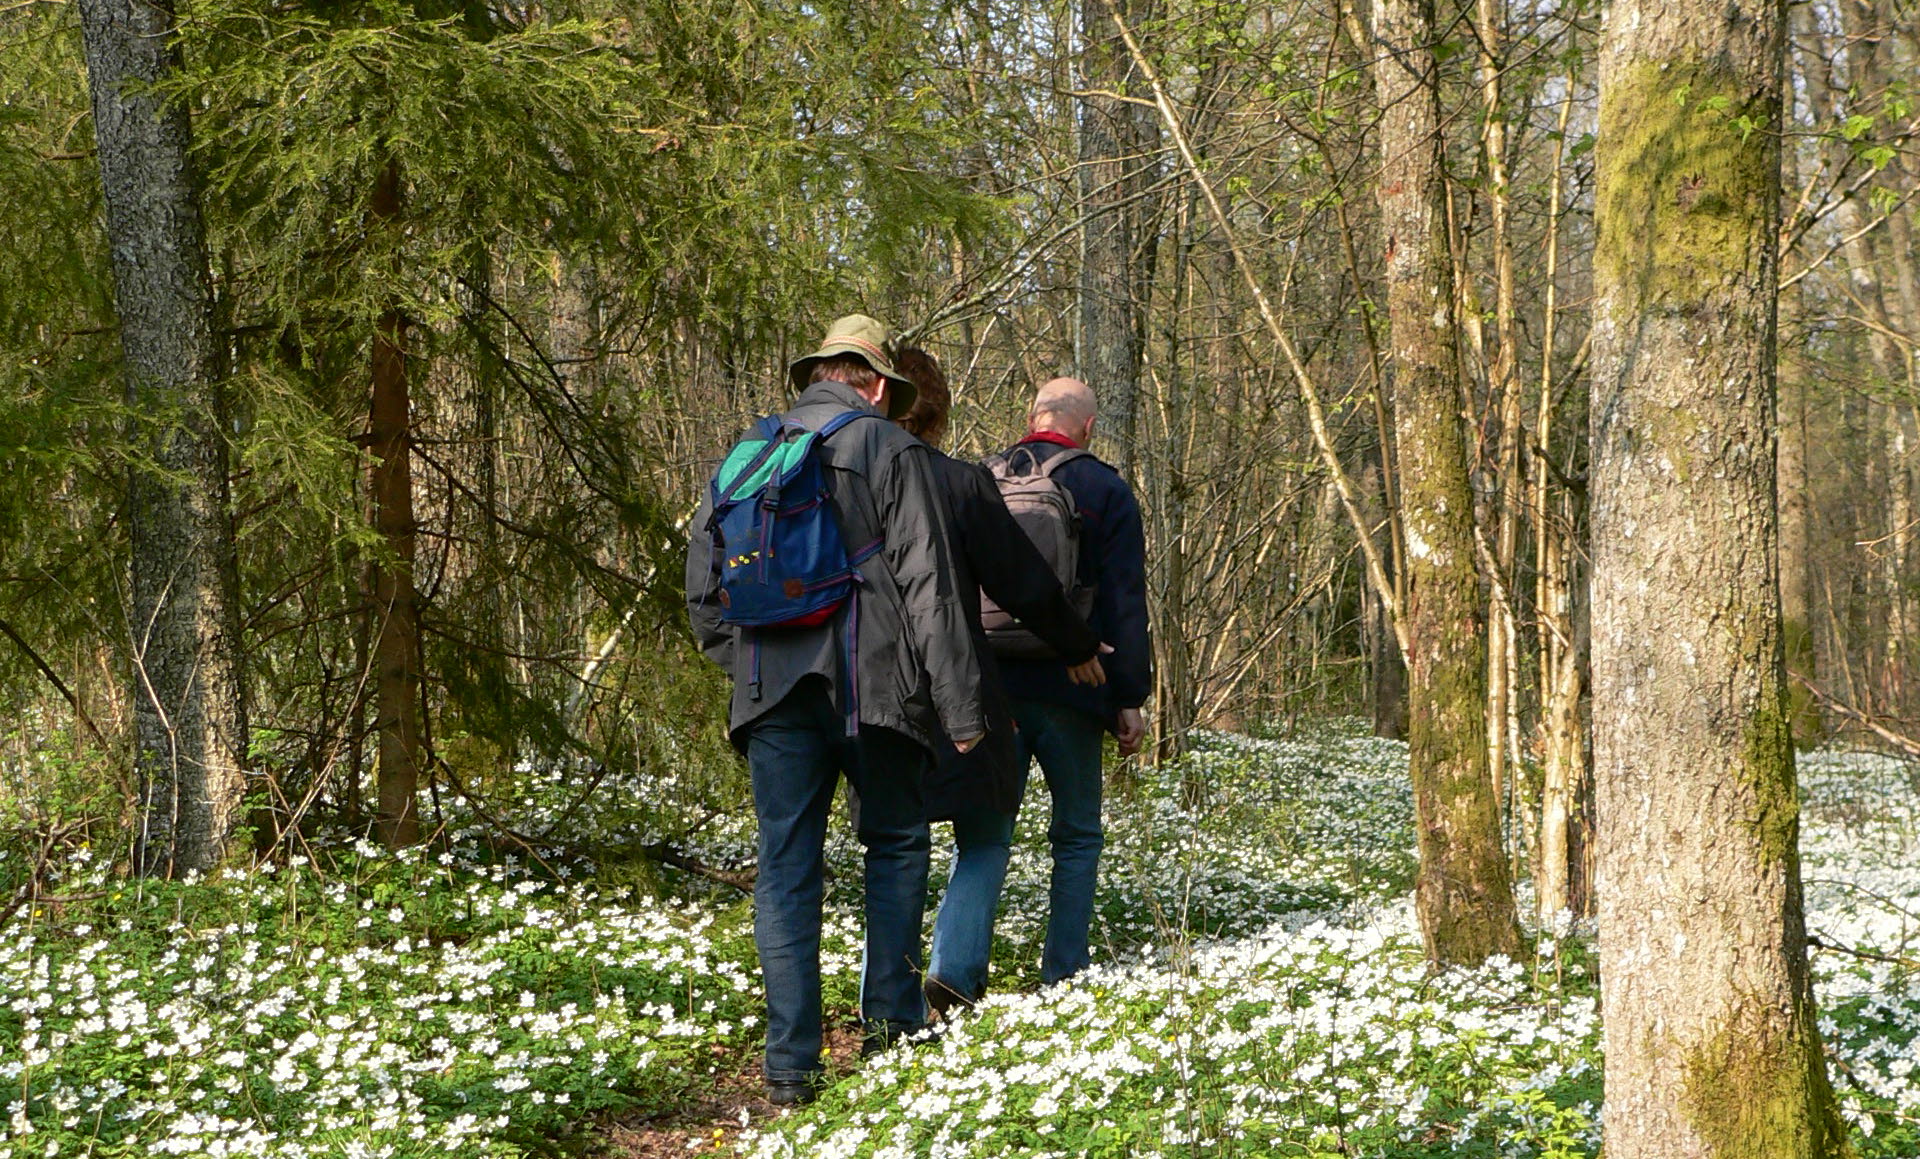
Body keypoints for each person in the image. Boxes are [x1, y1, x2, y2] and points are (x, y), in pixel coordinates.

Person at [685, 316, 985, 1106]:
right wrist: (960, 707)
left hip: (772, 693)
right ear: (878, 384)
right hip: (872, 689)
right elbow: (930, 584)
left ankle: (791, 1069)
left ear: (817, 375)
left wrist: (754, 665)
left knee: (786, 868)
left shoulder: (750, 453)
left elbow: (703, 593)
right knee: (895, 845)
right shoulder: (891, 448)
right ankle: (891, 1033)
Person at [926, 375, 1151, 1001]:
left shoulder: (981, 479)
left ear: (1033, 418)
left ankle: (954, 970)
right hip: (1075, 685)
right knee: (1076, 835)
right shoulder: (1105, 489)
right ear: (1088, 427)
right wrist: (1128, 697)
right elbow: (1125, 600)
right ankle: (1065, 972)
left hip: (989, 686)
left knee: (984, 835)